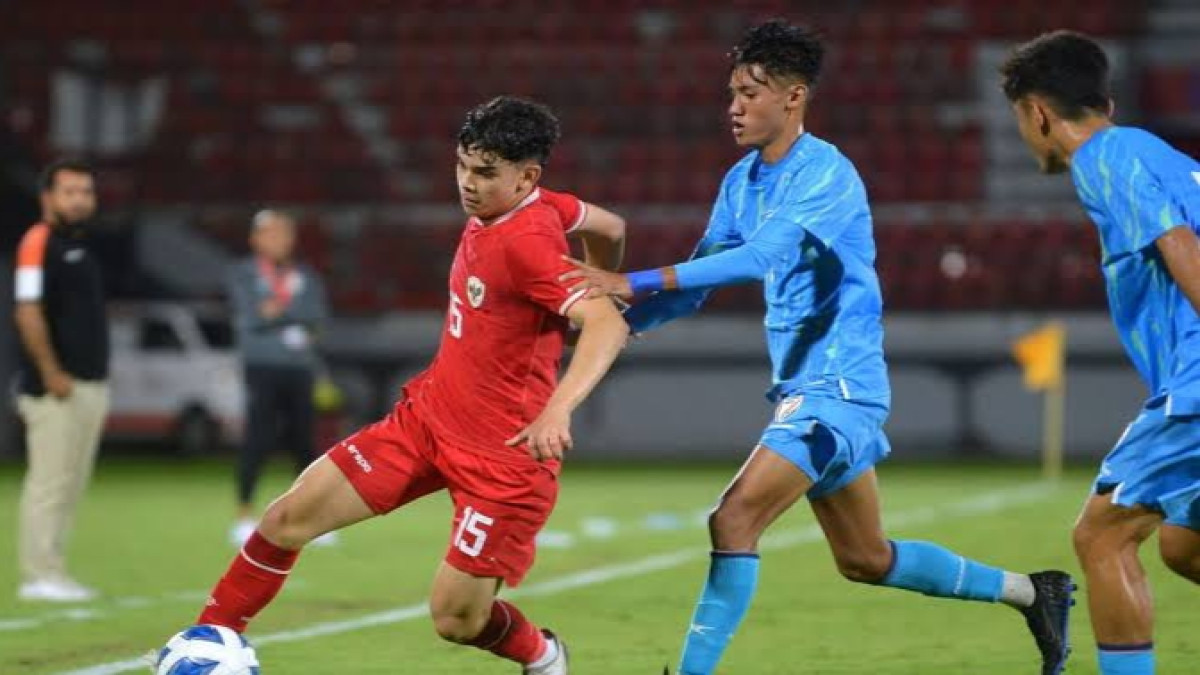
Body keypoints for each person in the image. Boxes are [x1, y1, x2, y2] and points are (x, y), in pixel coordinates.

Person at [561, 20, 1074, 675]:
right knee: (867, 558)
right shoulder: (741, 182)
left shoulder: (827, 174)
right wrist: (617, 325)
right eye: (731, 92)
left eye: (751, 92)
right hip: (809, 390)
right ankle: (1034, 591)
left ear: (794, 96)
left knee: (734, 519)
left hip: (838, 388)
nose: (735, 106)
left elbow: (763, 256)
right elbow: (695, 286)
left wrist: (625, 279)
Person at [181, 96, 629, 675]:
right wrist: (603, 277)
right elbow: (611, 225)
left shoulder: (526, 243)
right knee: (285, 520)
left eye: (486, 174)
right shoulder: (537, 205)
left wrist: (558, 406)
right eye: (463, 165)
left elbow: (607, 323)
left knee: (456, 620)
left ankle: (542, 656)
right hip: (427, 422)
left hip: (503, 459)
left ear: (528, 177)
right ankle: (205, 644)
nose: (468, 183)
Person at [1000, 30, 1200, 675]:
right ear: (1105, 102)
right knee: (1184, 546)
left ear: (1036, 113)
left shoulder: (1105, 159)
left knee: (1102, 534)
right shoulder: (1158, 155)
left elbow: (1179, 246)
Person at [13, 159, 109, 602]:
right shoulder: (39, 240)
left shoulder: (83, 245)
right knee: (50, 483)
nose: (79, 199)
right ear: (47, 197)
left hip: (89, 384)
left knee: (71, 483)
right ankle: (40, 574)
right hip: (55, 386)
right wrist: (50, 371)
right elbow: (27, 310)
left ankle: (55, 569)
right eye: (70, 191)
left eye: (86, 191)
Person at [226, 209, 331, 547]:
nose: (280, 240)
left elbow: (317, 317)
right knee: (258, 437)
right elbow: (250, 315)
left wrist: (274, 314)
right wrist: (288, 317)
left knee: (304, 441)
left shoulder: (306, 275)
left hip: (300, 367)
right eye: (272, 233)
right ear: (255, 239)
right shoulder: (242, 274)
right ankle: (244, 516)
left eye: (285, 233)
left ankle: (308, 519)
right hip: (261, 365)